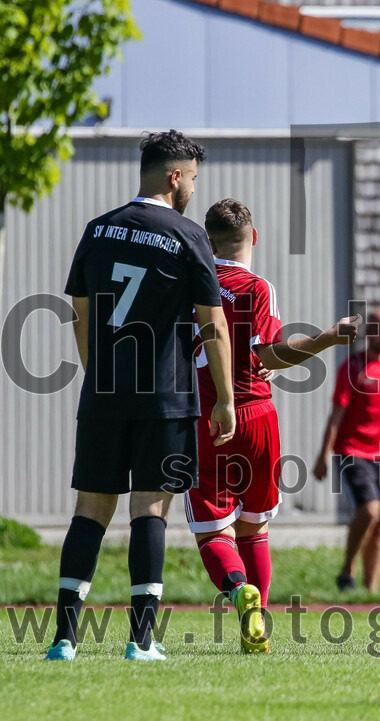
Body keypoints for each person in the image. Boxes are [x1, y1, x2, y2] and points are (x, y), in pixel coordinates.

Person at [46, 130, 235, 662]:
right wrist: (225, 397)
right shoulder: (187, 235)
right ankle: (141, 641)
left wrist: (100, 375)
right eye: (193, 178)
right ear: (175, 177)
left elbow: (79, 314)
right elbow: (213, 325)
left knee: (89, 510)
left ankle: (64, 640)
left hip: (103, 395)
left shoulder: (98, 229)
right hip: (166, 397)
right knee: (150, 509)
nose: (194, 188)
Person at [186, 199, 360, 652]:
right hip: (259, 418)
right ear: (254, 237)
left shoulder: (192, 283)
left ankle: (240, 593)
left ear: (208, 241)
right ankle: (258, 625)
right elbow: (270, 355)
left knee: (212, 531)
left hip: (207, 419)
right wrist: (331, 336)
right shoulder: (257, 287)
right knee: (255, 528)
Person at [312, 309, 380, 593]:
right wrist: (322, 457)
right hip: (353, 451)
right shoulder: (351, 368)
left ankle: (370, 591)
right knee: (370, 510)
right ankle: (348, 567)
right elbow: (335, 416)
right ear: (368, 332)